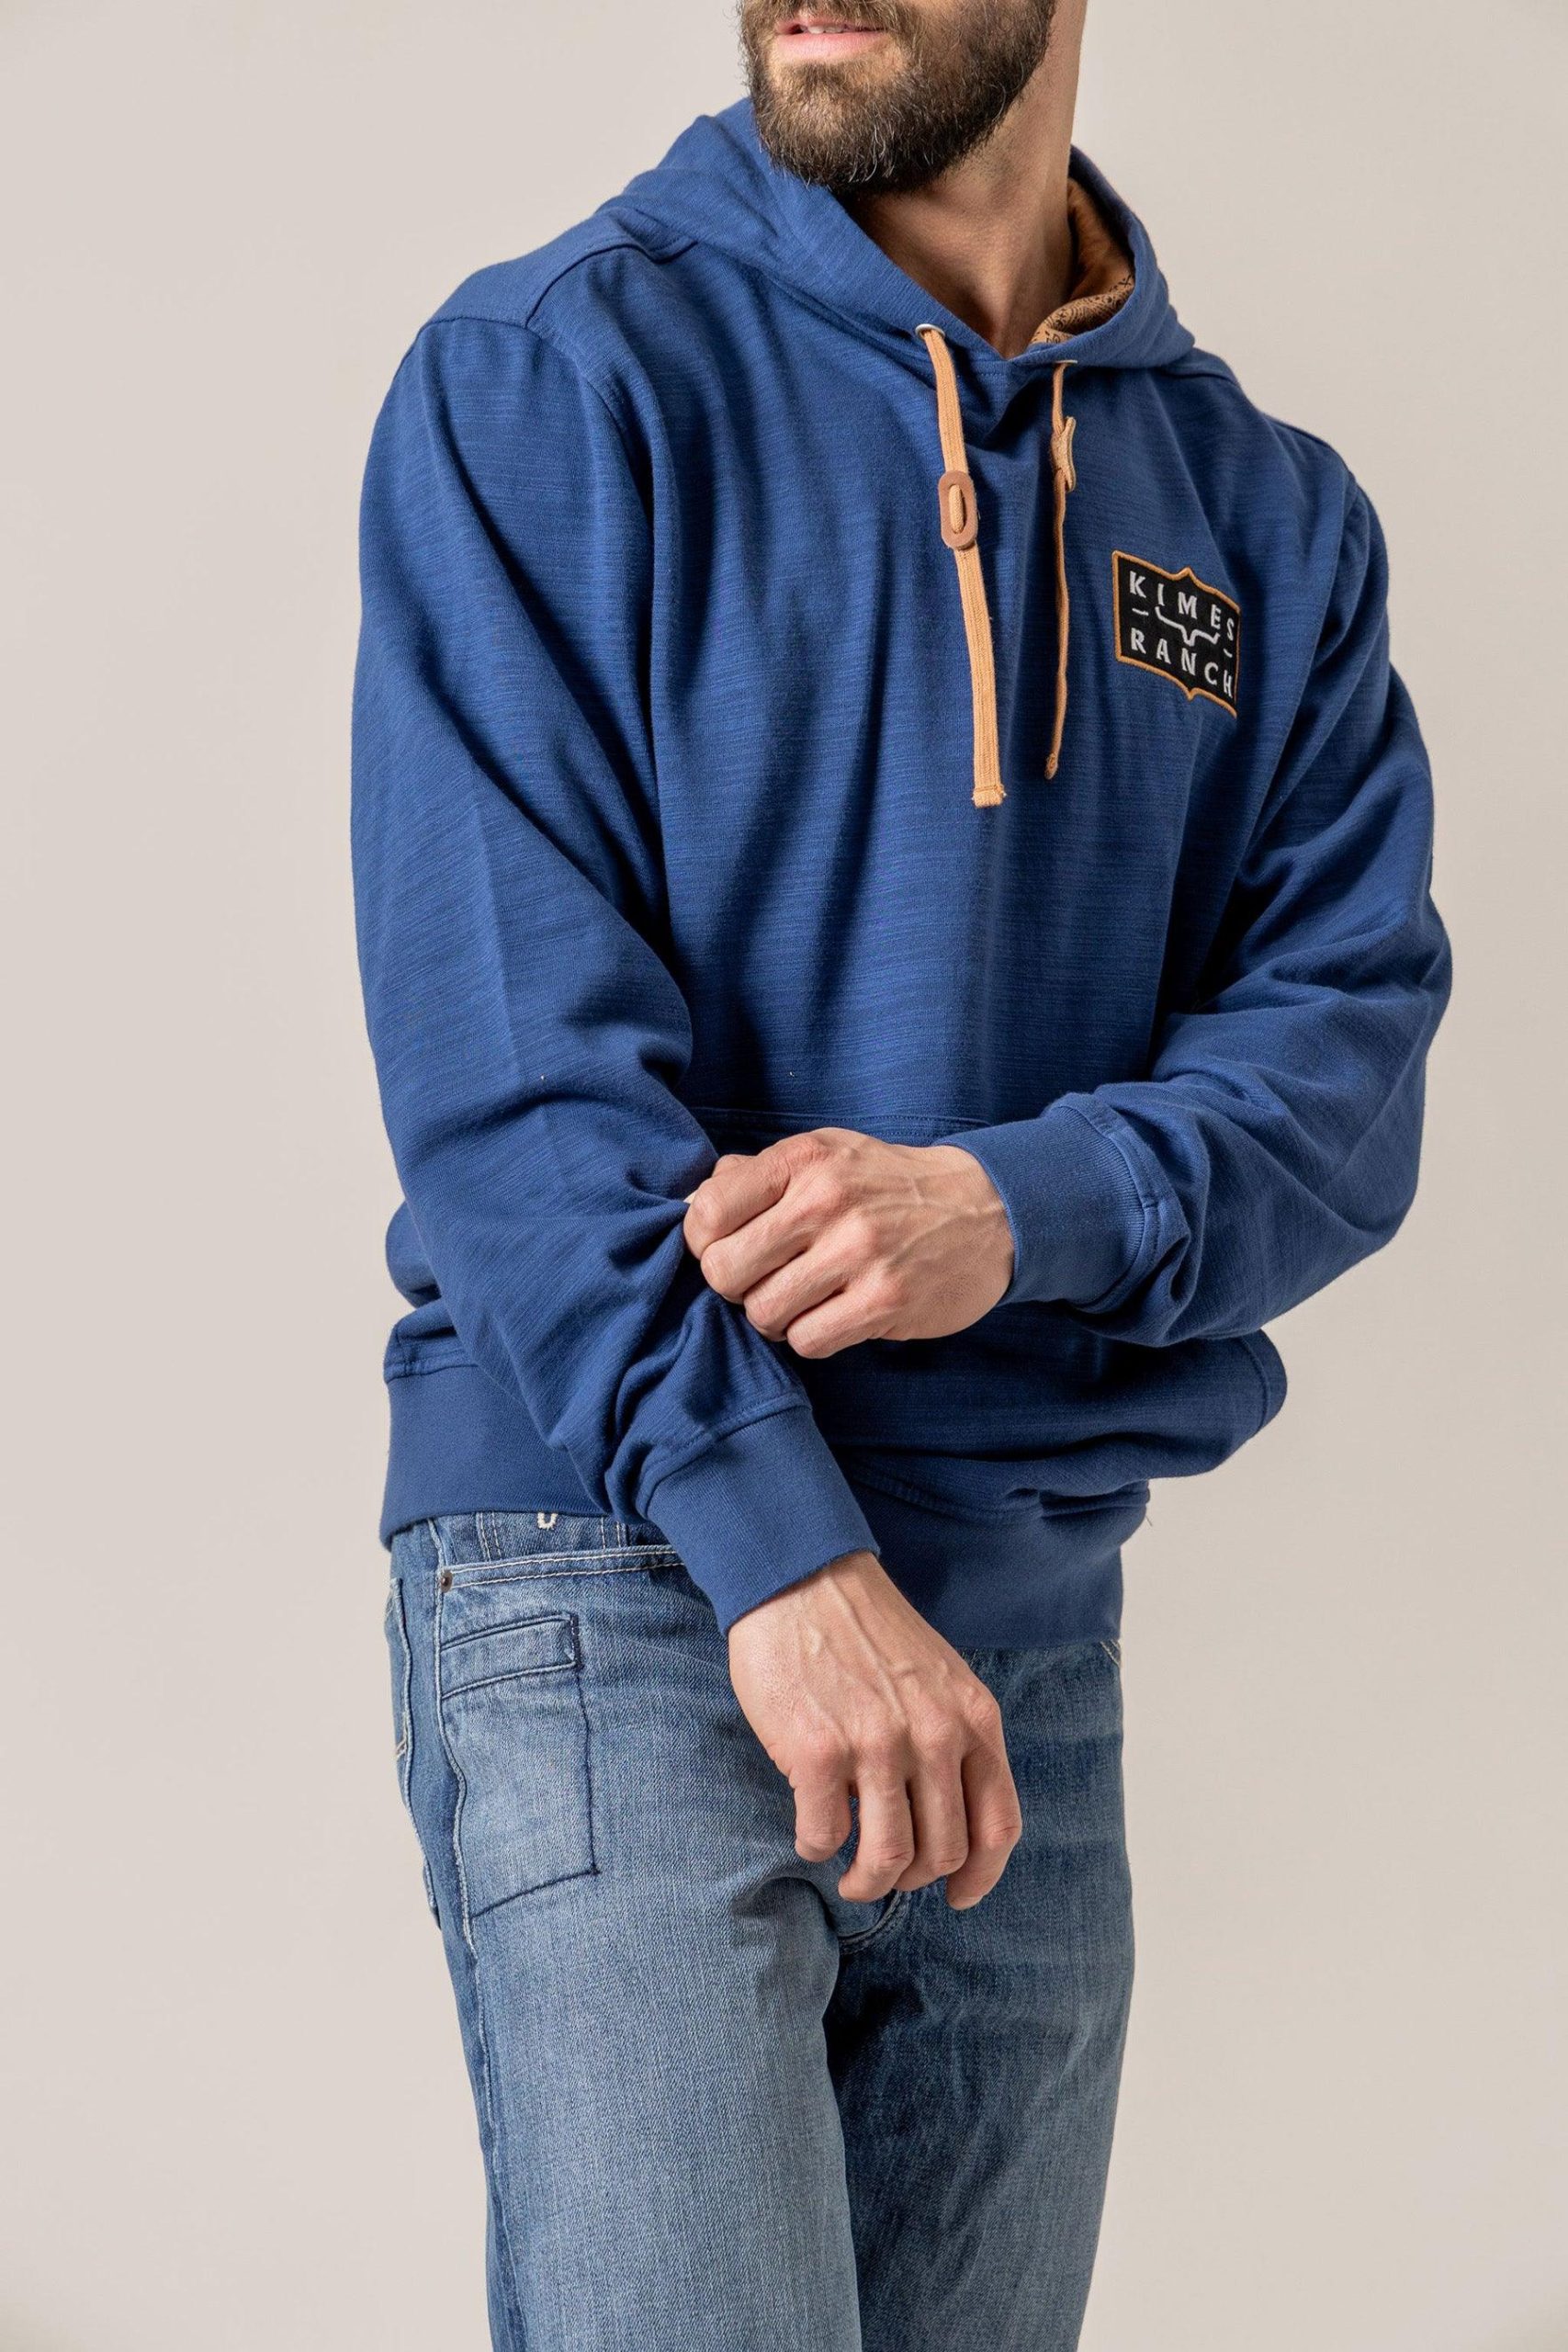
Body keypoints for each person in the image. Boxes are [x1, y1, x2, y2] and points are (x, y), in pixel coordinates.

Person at [351, 2, 1451, 2343]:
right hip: (623, 1560)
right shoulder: (555, 375)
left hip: (1025, 1638)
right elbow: (514, 1067)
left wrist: (1014, 1206)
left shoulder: (1260, 515)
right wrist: (782, 1548)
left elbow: (1342, 1067)